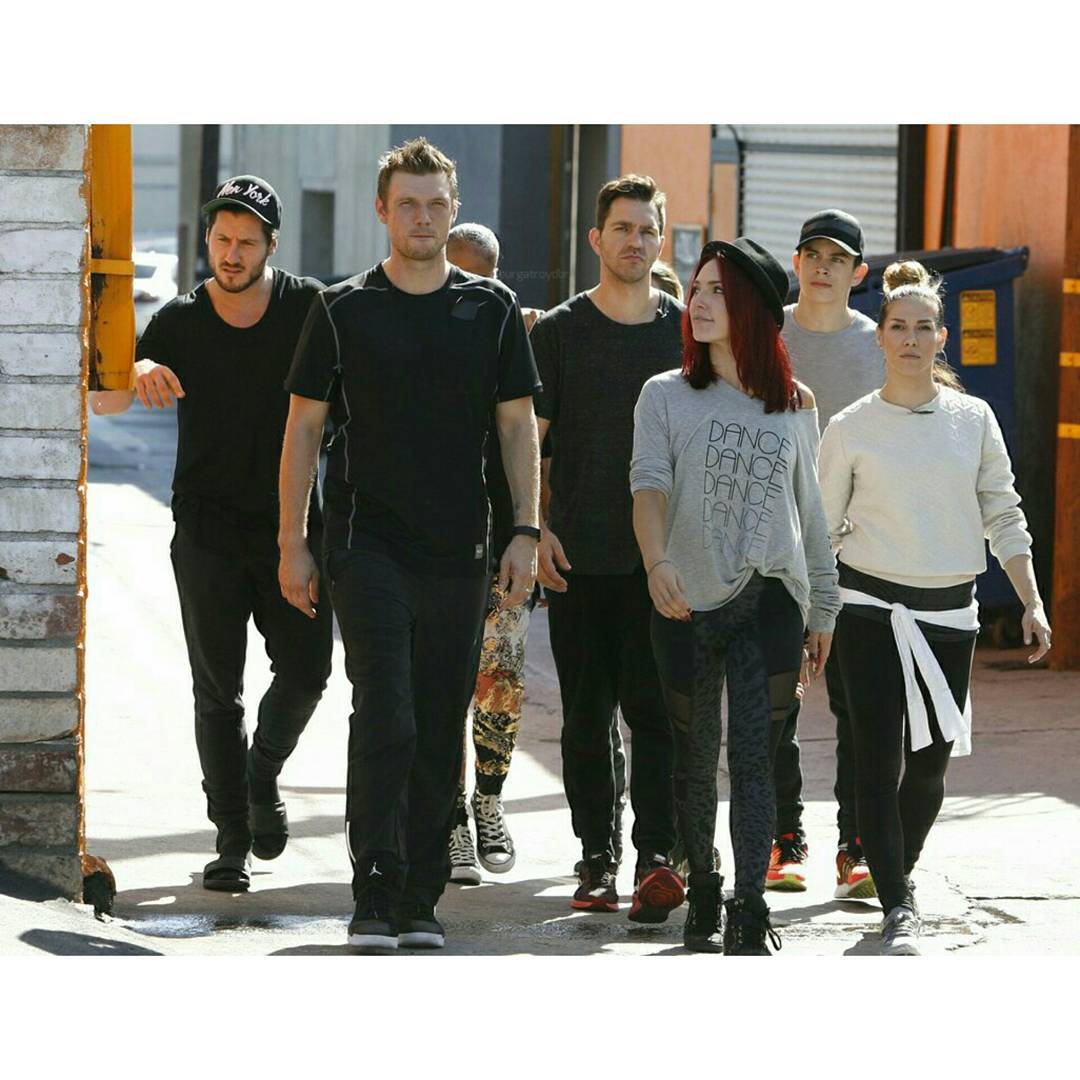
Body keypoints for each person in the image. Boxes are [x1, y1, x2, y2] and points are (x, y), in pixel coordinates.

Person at [278, 138, 541, 951]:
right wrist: (292, 541)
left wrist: (526, 530)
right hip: (367, 544)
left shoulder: (492, 308)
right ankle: (375, 885)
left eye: (435, 204)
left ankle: (421, 896)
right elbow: (302, 428)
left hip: (461, 548)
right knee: (385, 709)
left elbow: (516, 427)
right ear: (382, 210)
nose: (422, 217)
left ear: (452, 210)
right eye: (407, 204)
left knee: (435, 718)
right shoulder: (343, 308)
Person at [91, 175, 333, 892]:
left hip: (291, 527)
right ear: (207, 240)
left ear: (272, 245)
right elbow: (105, 403)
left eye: (246, 242)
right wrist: (135, 364)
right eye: (222, 239)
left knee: (308, 671)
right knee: (217, 692)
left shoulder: (309, 308)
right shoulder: (178, 321)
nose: (231, 254)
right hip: (206, 531)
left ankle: (261, 775)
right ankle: (231, 835)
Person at [818, 259, 1051, 955]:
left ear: (942, 337)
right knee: (875, 761)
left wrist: (1031, 599)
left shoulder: (973, 420)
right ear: (881, 336)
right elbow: (821, 532)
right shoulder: (851, 426)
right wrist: (816, 617)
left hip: (950, 615)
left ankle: (896, 872)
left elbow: (1004, 513)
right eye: (899, 327)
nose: (911, 339)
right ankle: (898, 901)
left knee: (929, 765)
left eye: (924, 328)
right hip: (867, 610)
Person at [631, 237, 840, 954]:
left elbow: (809, 509)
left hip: (771, 596)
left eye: (719, 290)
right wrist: (656, 561)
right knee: (693, 758)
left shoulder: (795, 403)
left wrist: (824, 605)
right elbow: (648, 485)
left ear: (752, 306)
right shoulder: (664, 394)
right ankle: (704, 890)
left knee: (755, 757)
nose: (699, 301)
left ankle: (750, 904)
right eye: (697, 288)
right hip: (683, 598)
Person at [532, 174, 684, 922]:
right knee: (587, 720)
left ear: (661, 240)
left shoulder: (687, 331)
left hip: (663, 564)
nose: (635, 241)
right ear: (596, 239)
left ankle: (657, 857)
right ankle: (597, 856)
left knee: (655, 716)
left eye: (647, 229)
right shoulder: (560, 332)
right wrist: (535, 528)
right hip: (578, 556)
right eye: (622, 228)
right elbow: (529, 440)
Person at [766, 209, 884, 899]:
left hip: (857, 551)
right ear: (796, 261)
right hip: (776, 546)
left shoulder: (878, 344)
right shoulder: (767, 334)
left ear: (857, 272)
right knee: (776, 701)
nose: (822, 267)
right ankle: (785, 838)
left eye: (836, 258)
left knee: (856, 707)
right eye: (812, 254)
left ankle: (856, 846)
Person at [441, 222, 536, 883]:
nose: (465, 293)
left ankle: (489, 802)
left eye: (480, 279)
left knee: (499, 682)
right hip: (436, 547)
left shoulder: (512, 338)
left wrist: (529, 533)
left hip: (503, 544)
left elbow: (534, 441)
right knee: (442, 686)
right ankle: (450, 818)